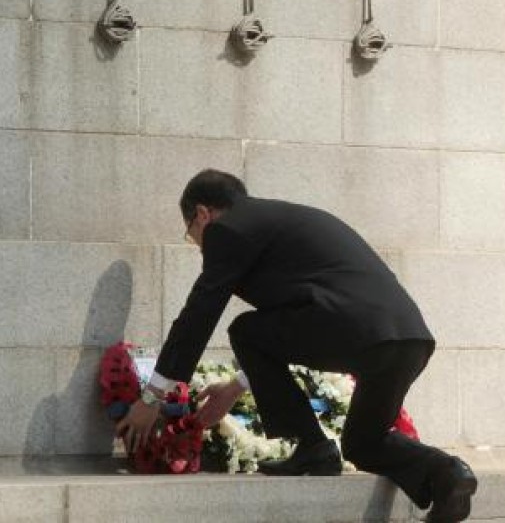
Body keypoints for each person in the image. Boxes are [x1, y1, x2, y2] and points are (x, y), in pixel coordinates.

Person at [116, 169, 476, 522]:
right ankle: (449, 475)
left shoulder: (227, 229)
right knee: (364, 444)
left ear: (202, 214)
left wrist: (153, 396)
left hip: (356, 330)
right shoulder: (280, 219)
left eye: (191, 235)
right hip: (406, 338)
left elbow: (200, 312)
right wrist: (237, 386)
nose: (199, 247)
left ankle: (313, 445)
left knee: (245, 330)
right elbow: (301, 318)